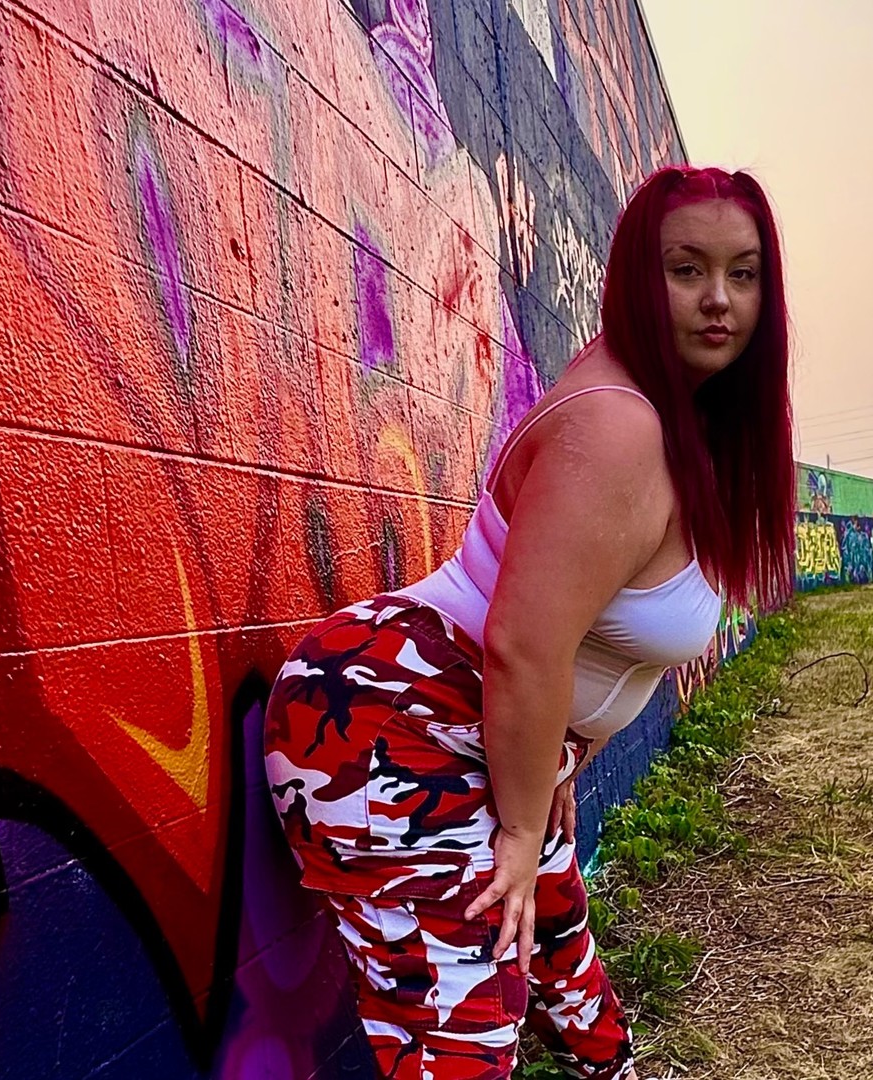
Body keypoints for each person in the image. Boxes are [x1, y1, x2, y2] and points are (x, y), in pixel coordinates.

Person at [263, 165, 795, 1079]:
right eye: (686, 270)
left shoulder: (679, 421)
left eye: (743, 274)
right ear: (639, 280)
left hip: (489, 731)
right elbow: (523, 643)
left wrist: (557, 762)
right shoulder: (622, 428)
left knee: (567, 979)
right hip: (393, 719)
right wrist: (517, 832)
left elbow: (580, 638)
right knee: (463, 1038)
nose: (719, 299)